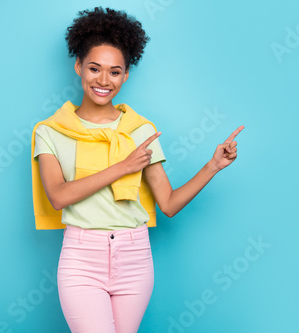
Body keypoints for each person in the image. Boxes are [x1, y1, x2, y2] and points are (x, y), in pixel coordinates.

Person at [31, 6, 244, 333]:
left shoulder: (142, 131)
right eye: (94, 68)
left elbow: (169, 205)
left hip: (135, 257)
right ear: (78, 67)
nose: (103, 80)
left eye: (115, 72)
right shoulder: (51, 131)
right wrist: (123, 167)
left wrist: (212, 166)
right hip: (82, 259)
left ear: (126, 74)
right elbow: (59, 197)